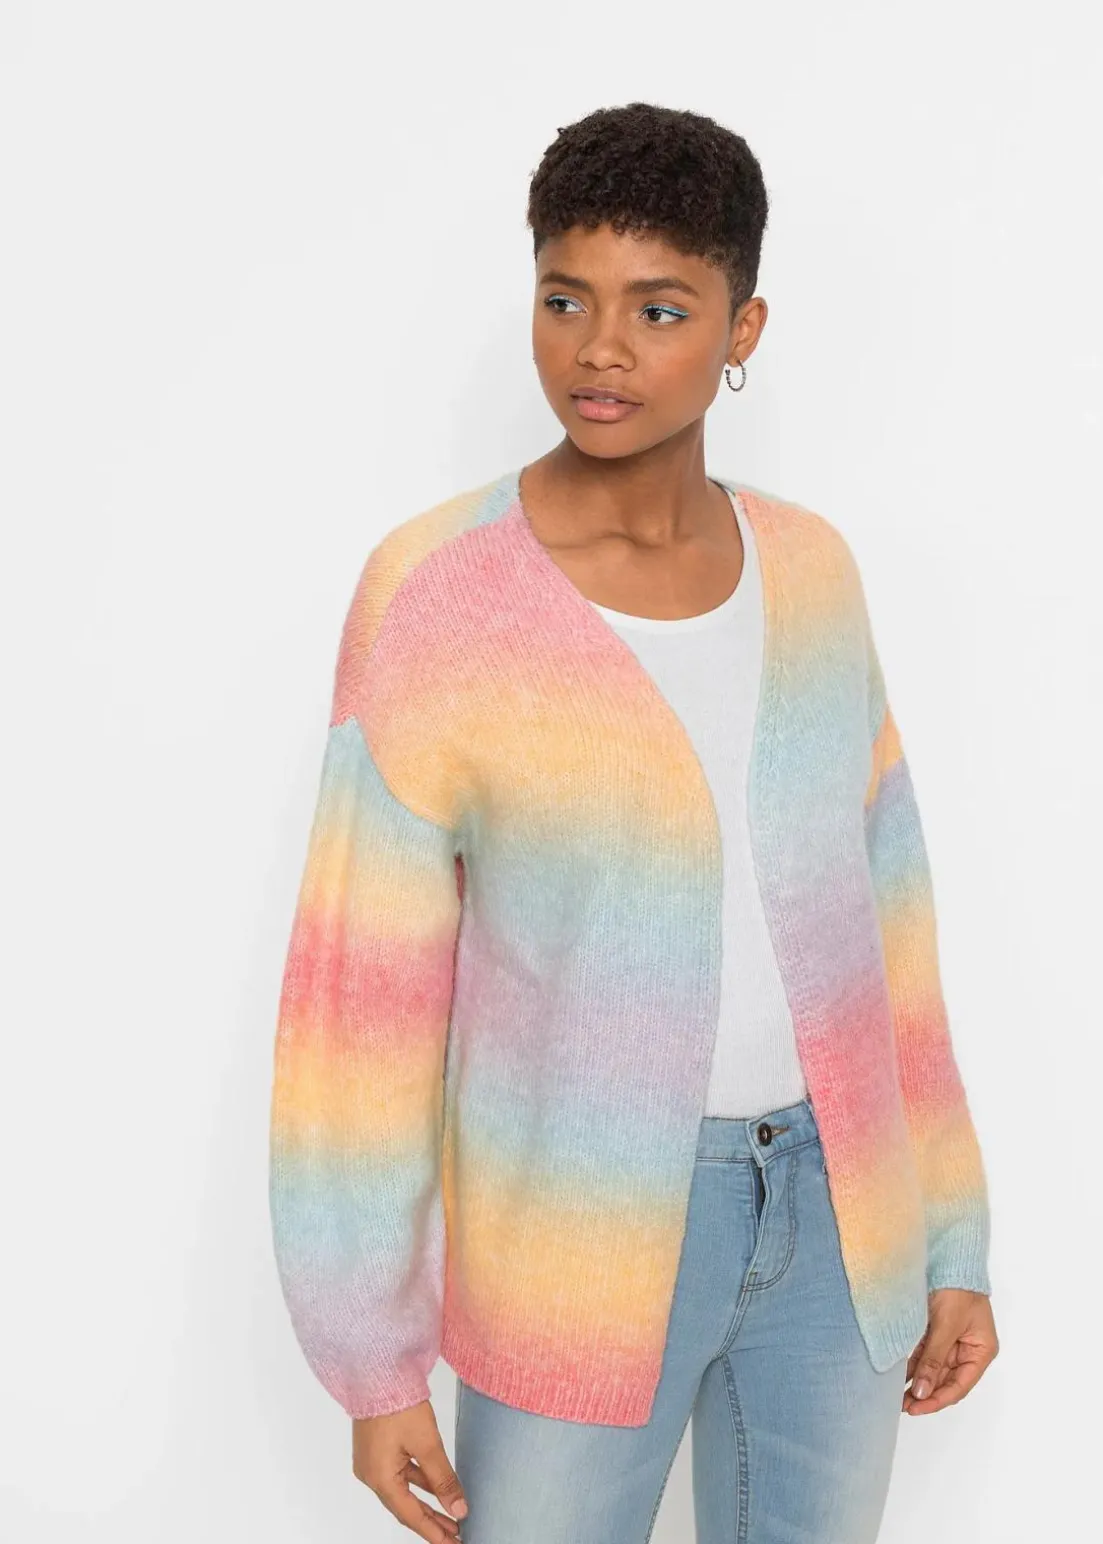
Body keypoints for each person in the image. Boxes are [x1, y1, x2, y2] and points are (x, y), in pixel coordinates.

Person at [267, 101, 998, 1544]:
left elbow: (890, 925)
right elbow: (360, 1010)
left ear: (741, 328)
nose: (600, 348)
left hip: (842, 1220)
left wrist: (948, 1231)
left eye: (659, 310)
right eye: (565, 301)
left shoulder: (812, 571)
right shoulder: (438, 597)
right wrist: (374, 1362)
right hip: (574, 1244)